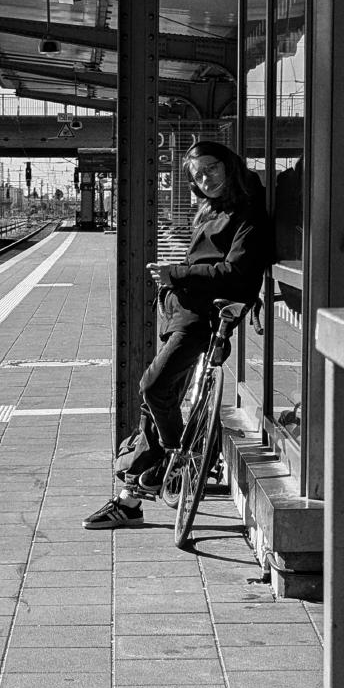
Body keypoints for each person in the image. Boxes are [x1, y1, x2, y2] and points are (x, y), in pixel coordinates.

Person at [83, 140, 270, 530]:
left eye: (211, 169)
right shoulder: (211, 210)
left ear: (229, 164)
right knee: (158, 401)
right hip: (182, 310)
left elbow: (239, 275)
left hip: (206, 316)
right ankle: (130, 499)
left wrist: (177, 273)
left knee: (153, 387)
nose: (206, 179)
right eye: (198, 175)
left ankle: (175, 458)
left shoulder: (248, 215)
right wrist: (173, 279)